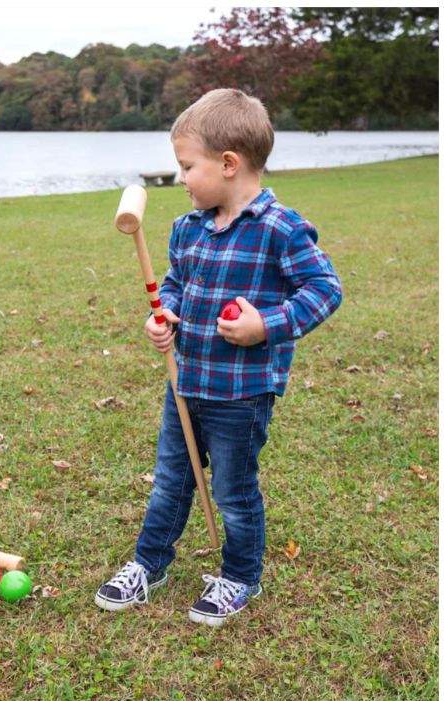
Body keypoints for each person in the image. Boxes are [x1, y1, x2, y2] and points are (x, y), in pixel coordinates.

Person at [94, 88, 343, 626]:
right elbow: (179, 286)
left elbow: (325, 288)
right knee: (170, 482)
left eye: (187, 166)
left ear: (228, 164)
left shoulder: (280, 228)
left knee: (233, 491)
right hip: (186, 382)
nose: (180, 178)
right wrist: (167, 316)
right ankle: (149, 564)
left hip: (242, 394)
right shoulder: (188, 228)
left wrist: (266, 326)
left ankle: (238, 577)